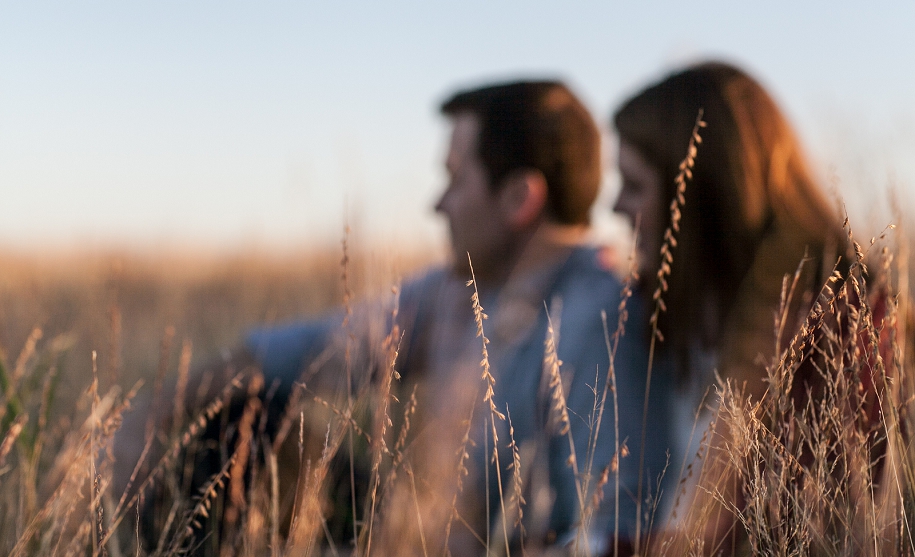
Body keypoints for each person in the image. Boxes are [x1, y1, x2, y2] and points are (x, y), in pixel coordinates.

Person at [243, 80, 671, 555]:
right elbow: (311, 349)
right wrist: (153, 417)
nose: (438, 204)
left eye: (455, 179)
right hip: (412, 534)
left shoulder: (600, 320)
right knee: (239, 426)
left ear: (518, 198)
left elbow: (613, 537)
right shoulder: (458, 286)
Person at [611, 61, 861, 553]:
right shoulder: (664, 312)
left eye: (634, 185)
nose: (615, 206)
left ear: (702, 197)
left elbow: (753, 538)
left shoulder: (834, 331)